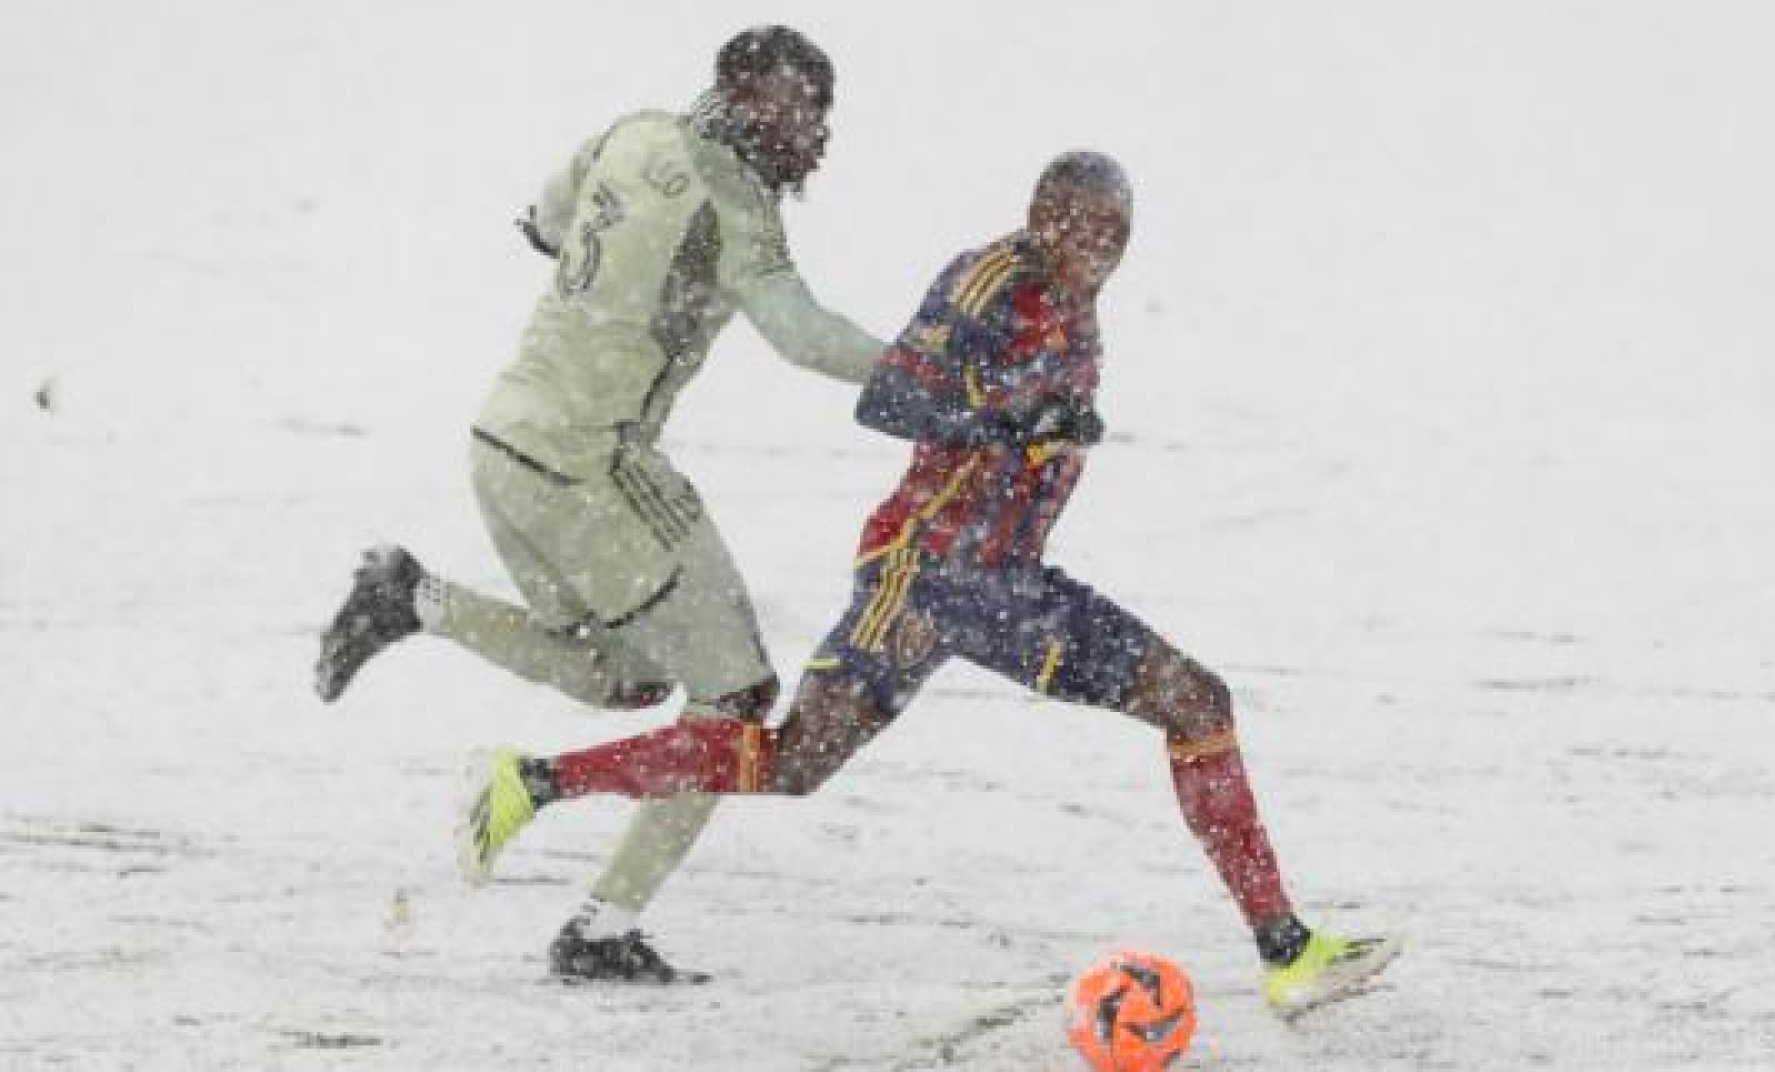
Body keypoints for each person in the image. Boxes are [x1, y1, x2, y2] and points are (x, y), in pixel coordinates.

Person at [459, 151, 1401, 1013]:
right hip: (948, 569)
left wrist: (1058, 428)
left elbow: (1029, 414)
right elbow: (892, 397)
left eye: (1115, 234)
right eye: (1079, 225)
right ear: (1039, 215)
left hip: (971, 574)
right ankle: (1285, 950)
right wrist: (1016, 414)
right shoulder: (990, 278)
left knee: (793, 764)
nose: (1097, 249)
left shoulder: (1076, 296)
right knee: (1198, 702)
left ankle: (534, 782)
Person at [314, 25, 889, 984]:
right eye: (803, 112)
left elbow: (544, 225)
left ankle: (412, 598)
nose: (816, 136)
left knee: (621, 678)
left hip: (503, 444)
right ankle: (598, 930)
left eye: (822, 114)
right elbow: (801, 335)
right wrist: (936, 375)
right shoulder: (736, 201)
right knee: (736, 700)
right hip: (594, 468)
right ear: (747, 101)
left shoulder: (632, 132)